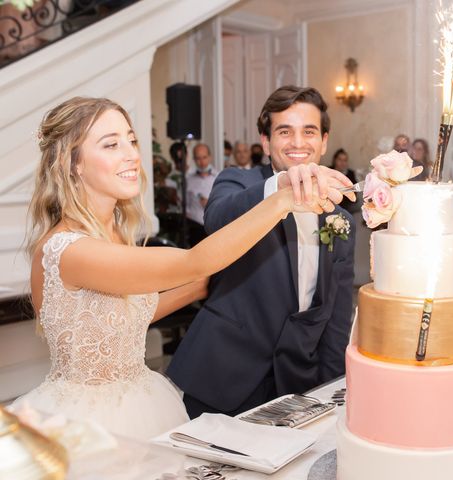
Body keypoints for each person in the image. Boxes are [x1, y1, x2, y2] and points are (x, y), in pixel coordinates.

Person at [11, 96, 349, 440]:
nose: (131, 154)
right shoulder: (70, 249)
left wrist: (202, 286)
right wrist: (284, 199)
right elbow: (195, 261)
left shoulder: (111, 233)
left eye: (131, 140)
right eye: (111, 144)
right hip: (91, 423)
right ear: (74, 163)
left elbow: (128, 313)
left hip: (140, 398)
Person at [168, 86, 358, 418]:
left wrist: (329, 389)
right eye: (285, 131)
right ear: (266, 142)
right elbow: (216, 220)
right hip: (222, 378)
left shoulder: (340, 219)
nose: (298, 143)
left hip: (298, 382)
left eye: (309, 132)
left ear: (324, 141)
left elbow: (337, 313)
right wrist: (281, 188)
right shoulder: (238, 182)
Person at [186, 143, 218, 245]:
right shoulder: (188, 180)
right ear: (194, 160)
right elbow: (185, 206)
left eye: (204, 157)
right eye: (198, 158)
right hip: (194, 229)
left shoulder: (219, 177)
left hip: (215, 228)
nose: (202, 162)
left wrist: (210, 203)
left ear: (210, 157)